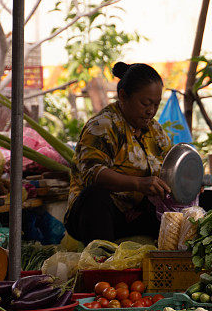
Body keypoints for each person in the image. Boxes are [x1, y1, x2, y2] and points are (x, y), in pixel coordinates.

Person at [64, 62, 172, 243]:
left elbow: (170, 165)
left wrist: (187, 181)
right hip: (96, 214)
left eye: (156, 104)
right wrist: (138, 183)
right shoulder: (103, 126)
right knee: (95, 196)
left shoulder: (154, 130)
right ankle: (103, 264)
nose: (151, 111)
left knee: (206, 201)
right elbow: (93, 173)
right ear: (123, 96)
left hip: (135, 213)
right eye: (145, 103)